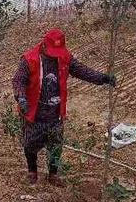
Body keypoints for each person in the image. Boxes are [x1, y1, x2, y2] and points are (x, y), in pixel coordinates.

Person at [12, 28, 115, 186]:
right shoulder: (29, 59)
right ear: (44, 45)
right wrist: (21, 99)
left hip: (55, 113)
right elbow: (18, 81)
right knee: (30, 144)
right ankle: (32, 171)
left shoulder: (64, 57)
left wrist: (102, 78)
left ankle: (53, 175)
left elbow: (81, 70)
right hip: (34, 112)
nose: (55, 55)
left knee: (56, 145)